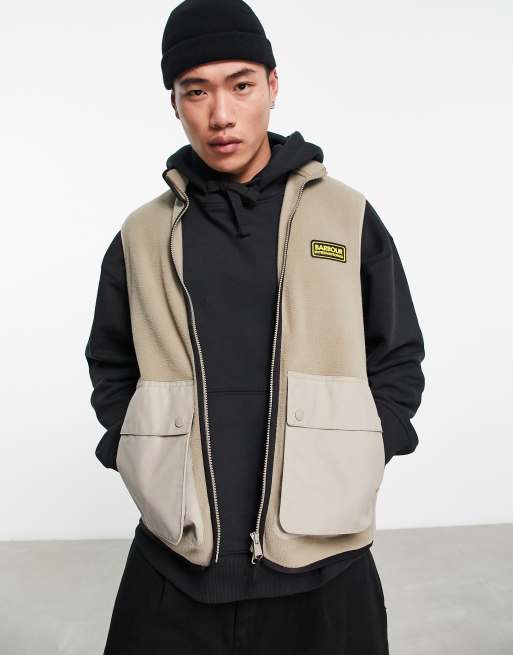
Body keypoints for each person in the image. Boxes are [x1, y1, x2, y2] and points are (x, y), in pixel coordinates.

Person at [84, 0, 426, 652]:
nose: (221, 114)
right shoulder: (142, 235)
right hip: (176, 561)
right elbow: (112, 363)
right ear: (174, 102)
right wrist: (136, 450)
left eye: (240, 85)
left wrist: (364, 449)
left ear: (272, 85)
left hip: (325, 562)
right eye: (196, 91)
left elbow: (397, 355)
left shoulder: (345, 217)